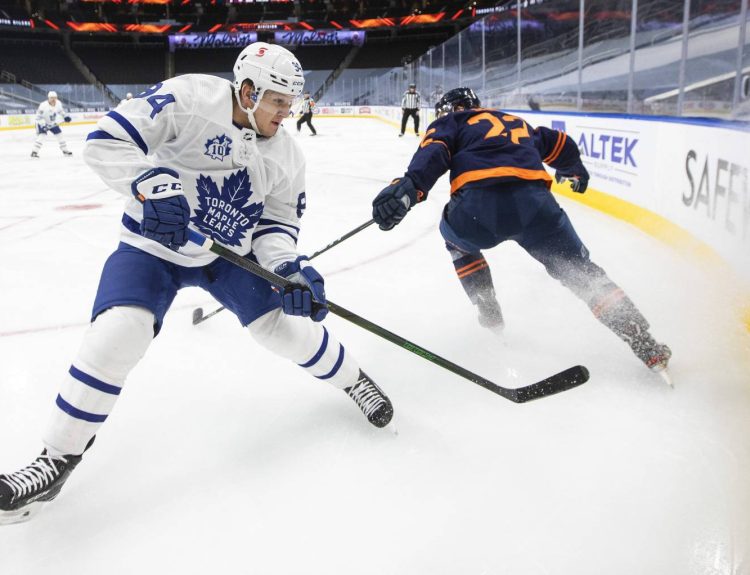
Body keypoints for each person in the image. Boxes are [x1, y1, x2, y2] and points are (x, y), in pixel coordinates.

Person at [0, 42, 393, 525]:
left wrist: (289, 268)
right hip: (152, 245)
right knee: (117, 333)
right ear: (247, 91)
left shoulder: (287, 156)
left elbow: (275, 227)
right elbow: (106, 140)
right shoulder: (189, 98)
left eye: (290, 104)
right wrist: (151, 184)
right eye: (277, 101)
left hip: (229, 257)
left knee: (285, 332)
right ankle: (56, 459)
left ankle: (354, 381)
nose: (285, 113)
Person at [371, 87, 671, 376]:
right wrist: (574, 169)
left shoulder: (454, 121)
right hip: (536, 208)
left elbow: (434, 151)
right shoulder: (515, 121)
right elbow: (560, 143)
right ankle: (643, 341)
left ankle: (487, 305)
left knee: (455, 241)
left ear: (457, 107)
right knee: (580, 271)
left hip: (478, 210)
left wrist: (410, 188)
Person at [31, 91, 72, 158]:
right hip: (41, 122)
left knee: (60, 135)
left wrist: (65, 116)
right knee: (42, 136)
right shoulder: (43, 105)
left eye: (55, 98)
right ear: (48, 98)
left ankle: (65, 151)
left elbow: (61, 111)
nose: (53, 99)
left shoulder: (58, 103)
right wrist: (43, 125)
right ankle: (34, 152)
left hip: (52, 123)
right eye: (52, 98)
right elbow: (38, 117)